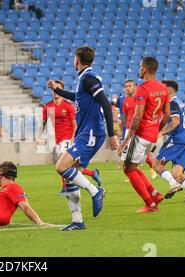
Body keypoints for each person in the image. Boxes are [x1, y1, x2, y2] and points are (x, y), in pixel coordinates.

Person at [47, 46, 117, 231]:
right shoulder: (84, 78)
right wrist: (57, 90)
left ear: (77, 59)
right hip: (86, 132)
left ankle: (96, 191)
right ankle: (77, 221)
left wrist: (112, 134)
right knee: (70, 176)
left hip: (91, 132)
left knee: (61, 166)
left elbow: (105, 103)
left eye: (73, 58)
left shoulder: (89, 77)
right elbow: (77, 97)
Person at [118, 57, 170, 213]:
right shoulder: (163, 88)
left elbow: (137, 116)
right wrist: (157, 129)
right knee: (133, 166)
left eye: (140, 67)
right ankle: (155, 194)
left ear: (145, 69)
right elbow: (167, 114)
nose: (139, 69)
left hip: (141, 135)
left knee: (128, 169)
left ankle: (150, 204)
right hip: (152, 136)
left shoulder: (142, 88)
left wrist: (126, 140)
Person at [41, 80, 102, 193]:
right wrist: (41, 137)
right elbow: (44, 123)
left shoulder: (68, 106)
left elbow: (75, 125)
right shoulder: (48, 107)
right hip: (57, 139)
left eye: (58, 89)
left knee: (61, 161)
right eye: (53, 90)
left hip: (68, 137)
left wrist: (73, 138)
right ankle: (92, 173)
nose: (55, 92)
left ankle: (65, 188)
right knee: (69, 166)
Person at [152, 80, 185, 202]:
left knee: (156, 165)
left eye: (163, 88)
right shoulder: (179, 103)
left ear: (168, 90)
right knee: (176, 173)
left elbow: (175, 122)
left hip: (177, 140)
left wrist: (161, 133)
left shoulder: (172, 103)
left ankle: (173, 185)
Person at [120, 80, 157, 179]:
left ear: (135, 87)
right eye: (126, 86)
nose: (127, 88)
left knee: (135, 157)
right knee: (128, 157)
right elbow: (124, 116)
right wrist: (121, 129)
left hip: (138, 130)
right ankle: (134, 175)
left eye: (130, 86)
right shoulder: (125, 100)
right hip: (128, 130)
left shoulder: (140, 99)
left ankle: (152, 170)